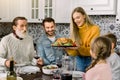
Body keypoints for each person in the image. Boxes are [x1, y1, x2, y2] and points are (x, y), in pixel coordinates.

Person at [66, 7, 100, 72]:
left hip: (91, 60)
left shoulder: (94, 29)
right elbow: (74, 53)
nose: (76, 21)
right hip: (79, 61)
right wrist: (67, 48)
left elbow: (93, 50)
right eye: (74, 19)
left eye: (78, 17)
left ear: (84, 16)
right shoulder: (75, 31)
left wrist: (78, 48)